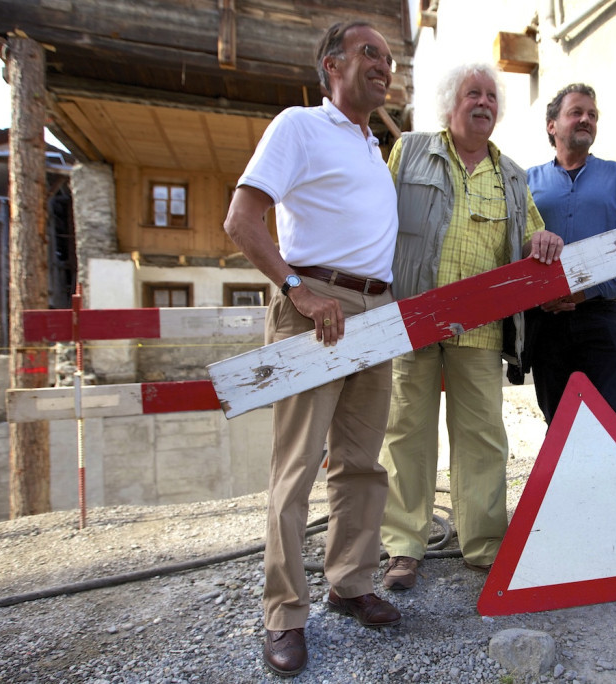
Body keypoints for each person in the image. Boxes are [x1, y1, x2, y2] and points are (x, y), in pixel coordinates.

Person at [224, 21, 402, 678]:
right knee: (295, 470)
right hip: (318, 308)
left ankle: (350, 582)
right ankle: (283, 613)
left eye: (388, 57)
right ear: (332, 65)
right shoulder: (298, 126)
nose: (383, 65)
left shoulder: (371, 144)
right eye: (368, 53)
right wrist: (297, 291)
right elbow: (241, 220)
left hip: (375, 311)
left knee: (360, 464)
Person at [377, 63, 564, 591]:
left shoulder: (513, 175)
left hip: (481, 328)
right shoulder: (410, 150)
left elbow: (531, 233)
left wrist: (543, 239)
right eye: (471, 93)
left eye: (490, 96)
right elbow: (377, 219)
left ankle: (483, 546)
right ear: (450, 103)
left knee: (482, 436)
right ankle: (404, 548)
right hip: (412, 318)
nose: (483, 102)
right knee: (407, 432)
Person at [525, 84, 616, 425]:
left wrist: (586, 289)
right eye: (576, 112)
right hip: (545, 324)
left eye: (592, 115)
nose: (586, 119)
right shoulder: (527, 182)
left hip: (601, 317)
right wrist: (539, 297)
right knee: (560, 423)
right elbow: (511, 247)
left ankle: (614, 480)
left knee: (608, 420)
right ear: (552, 125)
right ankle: (568, 481)